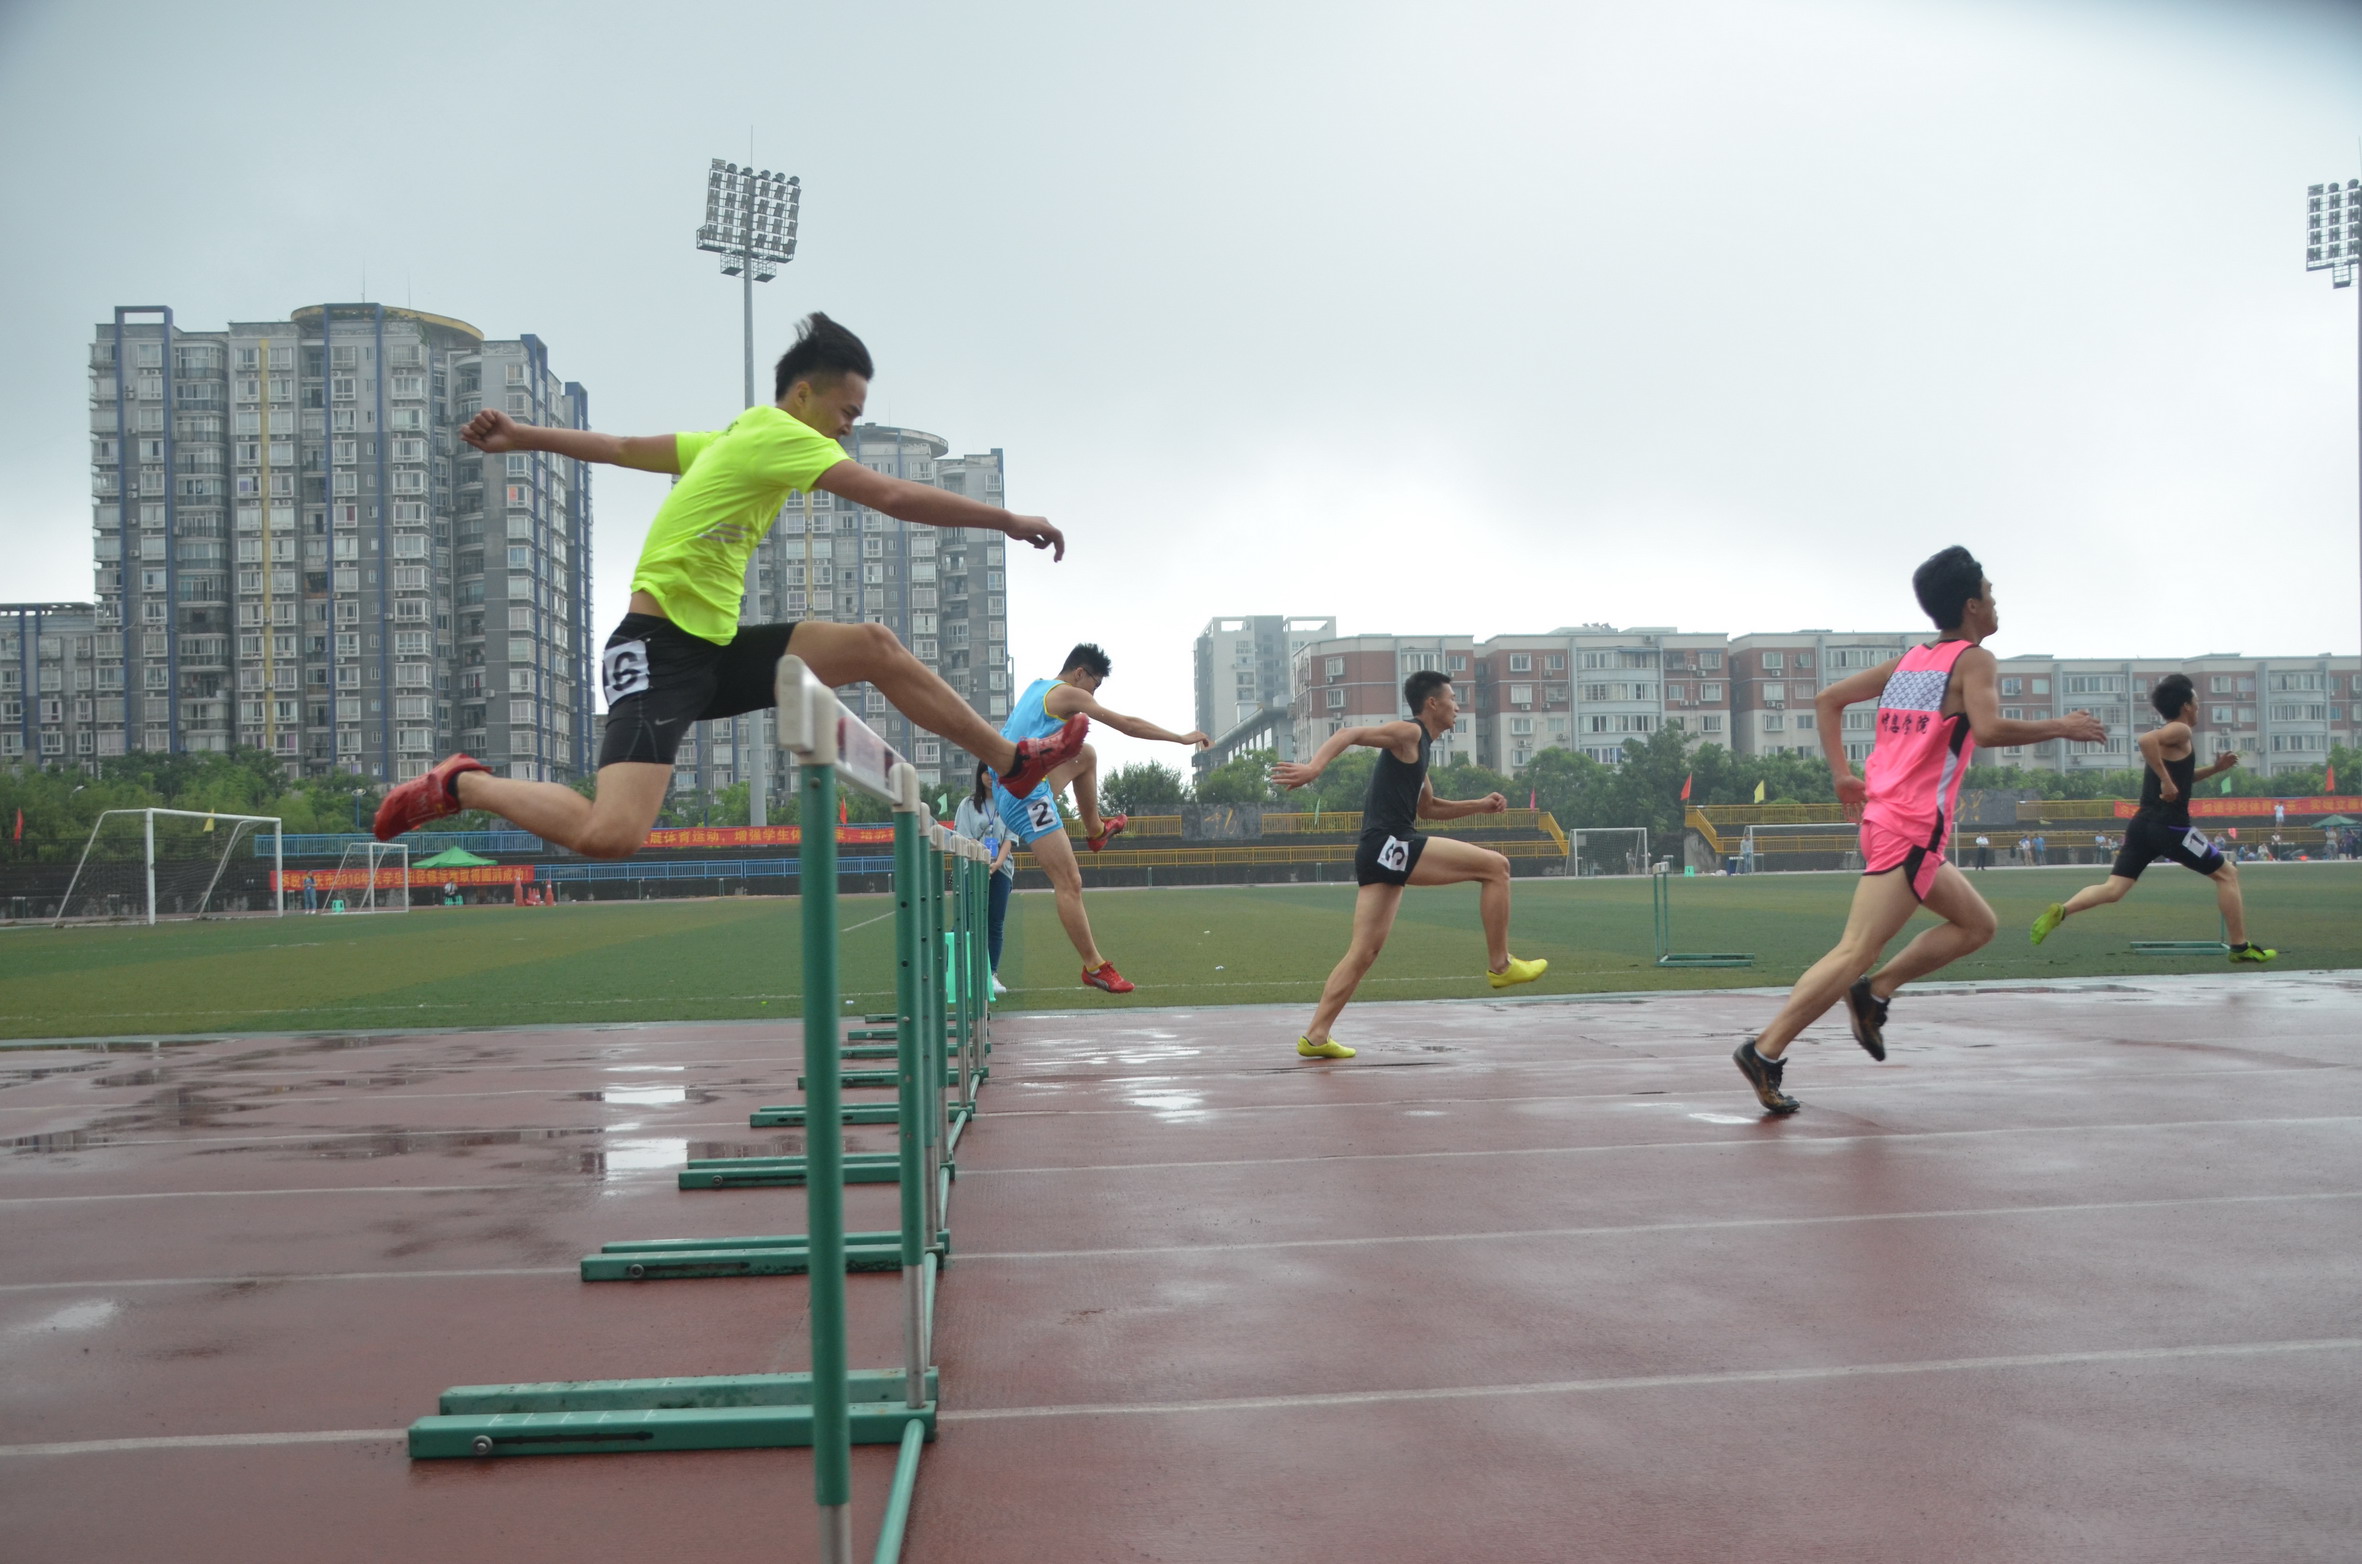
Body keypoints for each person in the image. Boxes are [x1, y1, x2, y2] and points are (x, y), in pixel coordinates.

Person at [372, 313, 1087, 855]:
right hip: (658, 652)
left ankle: (1011, 763)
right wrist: (1006, 518)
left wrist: (525, 435)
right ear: (803, 396)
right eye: (846, 414)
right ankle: (461, 784)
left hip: (715, 647)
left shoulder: (740, 436)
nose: (844, 432)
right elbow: (895, 500)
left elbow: (623, 448)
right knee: (610, 834)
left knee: (874, 646)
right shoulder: (777, 435)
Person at [1733, 547, 2107, 1115]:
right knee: (1856, 947)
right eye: (1992, 592)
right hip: (1909, 828)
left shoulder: (1911, 661)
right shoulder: (1974, 661)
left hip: (1890, 822)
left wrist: (1842, 776)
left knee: (1976, 925)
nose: (1997, 601)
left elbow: (1828, 699)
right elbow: (1987, 728)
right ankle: (1766, 1050)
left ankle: (1875, 992)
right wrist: (2063, 726)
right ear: (1972, 605)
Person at [1274, 668, 1549, 1060]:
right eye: (1453, 699)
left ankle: (1315, 1035)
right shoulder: (1409, 733)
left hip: (1376, 850)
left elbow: (1429, 808)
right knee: (1496, 867)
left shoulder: (1423, 750)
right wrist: (1313, 769)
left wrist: (1480, 805)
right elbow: (1346, 734)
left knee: (1363, 952)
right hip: (1390, 843)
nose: (1458, 706)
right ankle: (1500, 965)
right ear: (1432, 703)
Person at [994, 643, 1209, 994]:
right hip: (1024, 796)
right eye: (1095, 685)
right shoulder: (1066, 695)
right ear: (1081, 673)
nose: (1093, 695)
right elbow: (1125, 724)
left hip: (1028, 782)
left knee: (1086, 754)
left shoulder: (1038, 687)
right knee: (1069, 881)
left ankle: (1095, 831)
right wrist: (1178, 738)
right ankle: (1094, 966)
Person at [2029, 674, 2276, 961]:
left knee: (2114, 888)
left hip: (2141, 825)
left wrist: (2214, 769)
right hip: (2172, 828)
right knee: (2227, 874)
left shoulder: (2176, 737)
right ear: (2186, 705)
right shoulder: (2180, 731)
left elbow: (2181, 777)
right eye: (2196, 702)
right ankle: (2239, 946)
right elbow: (2145, 740)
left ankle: (2063, 910)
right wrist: (2165, 781)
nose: (2198, 707)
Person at [953, 761, 1018, 999]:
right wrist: (981, 860)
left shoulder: (1008, 803)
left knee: (995, 923)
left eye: (995, 773)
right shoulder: (968, 805)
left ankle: (991, 974)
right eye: (986, 773)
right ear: (979, 776)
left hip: (1001, 869)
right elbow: (964, 837)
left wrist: (998, 863)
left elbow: (1010, 838)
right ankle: (962, 973)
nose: (990, 778)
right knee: (968, 921)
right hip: (973, 868)